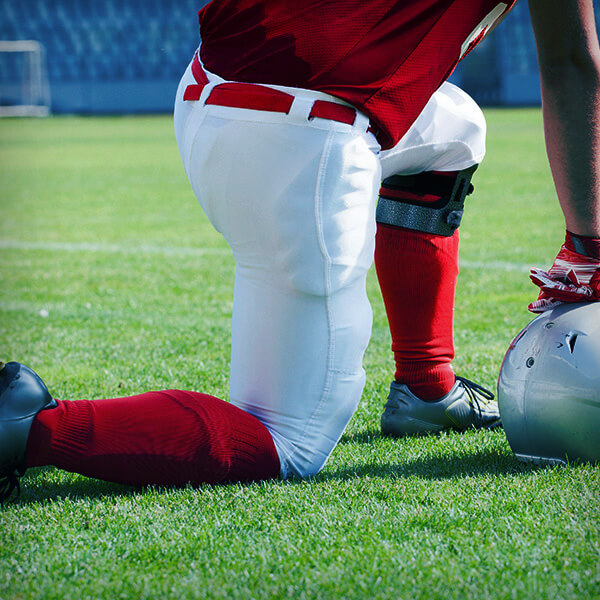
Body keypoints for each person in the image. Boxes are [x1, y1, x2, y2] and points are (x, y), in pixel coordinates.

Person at [1, 0, 599, 501]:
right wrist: (589, 248)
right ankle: (29, 428)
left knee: (455, 127)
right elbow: (572, 64)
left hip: (209, 92)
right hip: (299, 136)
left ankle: (426, 386)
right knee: (287, 440)